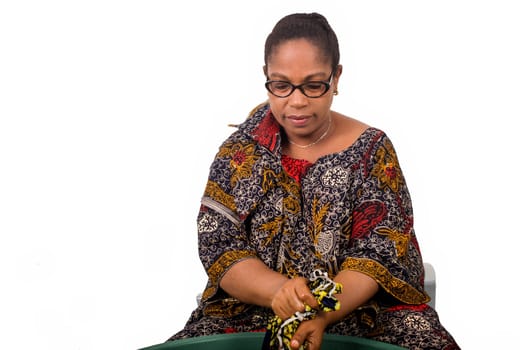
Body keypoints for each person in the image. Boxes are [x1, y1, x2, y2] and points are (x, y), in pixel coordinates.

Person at [167, 12, 459, 350]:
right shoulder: (241, 151)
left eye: (313, 84)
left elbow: (377, 256)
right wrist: (280, 292)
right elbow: (220, 247)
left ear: (336, 78)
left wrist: (321, 312)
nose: (297, 100)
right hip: (249, 312)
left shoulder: (371, 151)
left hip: (362, 315)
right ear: (266, 77)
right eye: (281, 85)